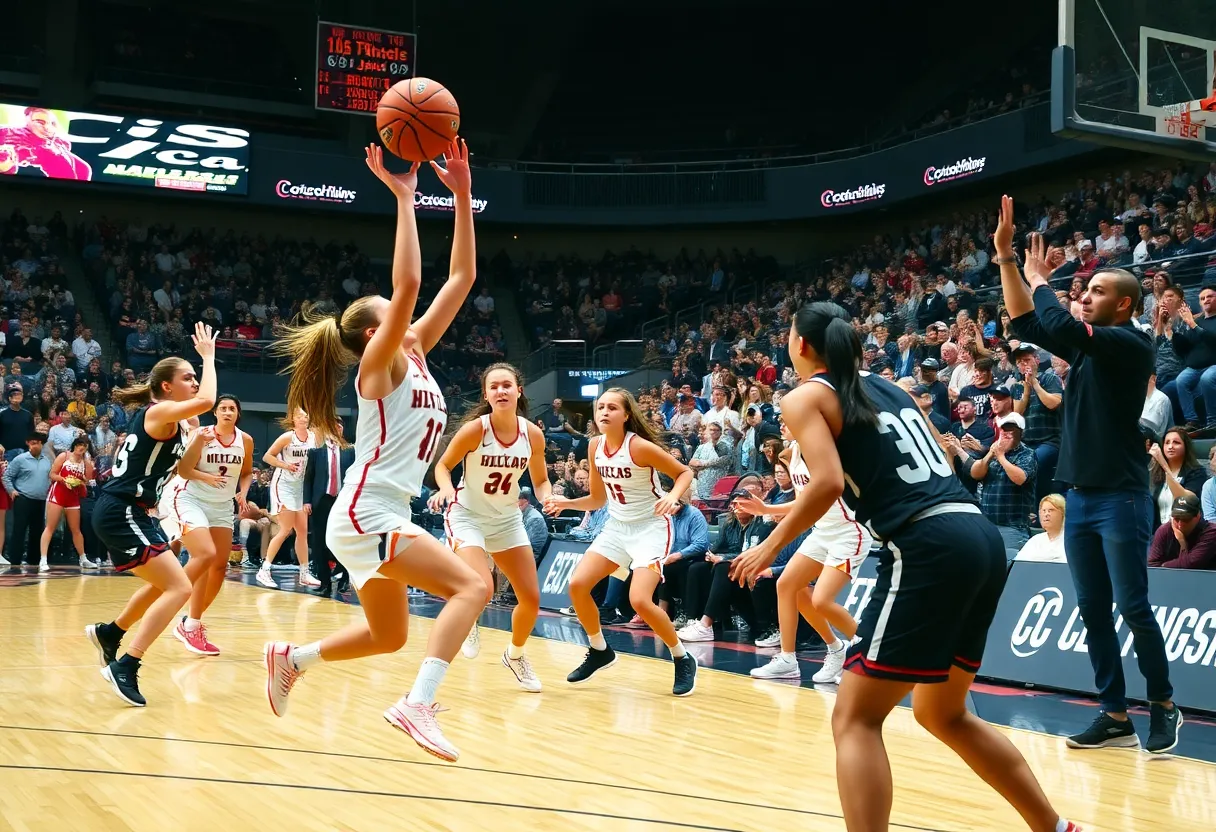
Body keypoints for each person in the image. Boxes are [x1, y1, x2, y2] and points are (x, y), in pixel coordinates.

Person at [729, 301, 1078, 832]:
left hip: (925, 542)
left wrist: (770, 545)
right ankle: (1055, 827)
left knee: (855, 717)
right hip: (977, 532)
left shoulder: (805, 397)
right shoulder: (885, 385)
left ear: (799, 346)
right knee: (943, 713)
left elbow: (824, 482)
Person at [262, 139, 486, 763]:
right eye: (394, 315)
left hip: (374, 511)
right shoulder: (379, 368)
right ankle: (417, 705)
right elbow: (411, 281)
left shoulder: (414, 355)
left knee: (389, 634)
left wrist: (463, 192)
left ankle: (293, 657)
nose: (408, 315)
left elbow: (462, 277)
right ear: (372, 332)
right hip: (367, 510)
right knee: (473, 589)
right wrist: (406, 198)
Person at [998, 195, 1180, 754]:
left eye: (1098, 291)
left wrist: (1040, 278)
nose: (1087, 295)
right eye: (1087, 289)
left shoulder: (1131, 343)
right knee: (1093, 610)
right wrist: (1008, 261)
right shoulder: (1087, 351)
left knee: (1133, 608)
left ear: (1124, 306)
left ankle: (1164, 705)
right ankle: (1114, 713)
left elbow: (1055, 315)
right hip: (1079, 498)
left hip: (1122, 497)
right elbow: (1029, 320)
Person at [84, 323, 219, 707]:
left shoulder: (171, 423)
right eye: (187, 378)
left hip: (132, 512)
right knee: (180, 588)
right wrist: (208, 356)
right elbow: (208, 400)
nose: (194, 383)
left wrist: (196, 439)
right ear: (166, 387)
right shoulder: (159, 412)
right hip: (121, 510)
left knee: (167, 584)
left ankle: (112, 632)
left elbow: (181, 470)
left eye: (196, 377)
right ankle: (126, 664)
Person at [543, 387, 697, 696]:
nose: (603, 412)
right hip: (617, 527)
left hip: (650, 527)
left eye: (612, 407)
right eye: (600, 407)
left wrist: (672, 496)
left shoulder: (639, 447)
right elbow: (598, 498)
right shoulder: (594, 445)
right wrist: (566, 504)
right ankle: (600, 650)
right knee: (577, 585)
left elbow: (684, 473)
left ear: (626, 415)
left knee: (640, 599)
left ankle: (682, 656)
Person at [428, 362, 552, 692]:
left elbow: (540, 481)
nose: (501, 390)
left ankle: (515, 655)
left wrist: (550, 496)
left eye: (506, 385)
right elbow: (442, 466)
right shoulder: (475, 430)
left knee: (531, 599)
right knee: (481, 586)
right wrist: (444, 487)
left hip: (506, 519)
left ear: (518, 390)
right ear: (486, 394)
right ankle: (469, 616)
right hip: (467, 515)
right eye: (494, 386)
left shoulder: (533, 435)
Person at [721, 418, 873, 683]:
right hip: (823, 531)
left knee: (821, 600)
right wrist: (767, 510)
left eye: (788, 418)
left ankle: (870, 652)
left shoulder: (824, 451)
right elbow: (804, 502)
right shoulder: (790, 454)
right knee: (788, 586)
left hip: (849, 532)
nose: (781, 421)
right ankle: (796, 657)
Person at [164, 394, 254, 656]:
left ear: (238, 414)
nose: (227, 412)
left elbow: (246, 471)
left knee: (219, 566)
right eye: (223, 408)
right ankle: (191, 623)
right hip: (193, 499)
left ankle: (190, 621)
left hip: (222, 506)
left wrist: (243, 492)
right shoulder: (202, 435)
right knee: (204, 556)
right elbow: (183, 469)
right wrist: (208, 477)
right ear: (215, 413)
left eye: (232, 409)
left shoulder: (245, 440)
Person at [255, 408, 319, 589]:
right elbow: (268, 456)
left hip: (300, 487)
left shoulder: (314, 437)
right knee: (285, 530)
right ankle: (264, 569)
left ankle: (304, 573)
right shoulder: (287, 438)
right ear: (293, 419)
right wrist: (285, 464)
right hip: (283, 485)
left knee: (302, 531)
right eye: (300, 416)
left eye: (306, 416)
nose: (303, 419)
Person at [302, 419, 355, 596]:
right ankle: (324, 583)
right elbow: (308, 478)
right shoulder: (316, 452)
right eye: (333, 425)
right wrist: (307, 501)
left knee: (345, 540)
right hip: (321, 500)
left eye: (340, 425)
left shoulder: (350, 451)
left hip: (343, 500)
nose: (337, 428)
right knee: (319, 542)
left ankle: (344, 579)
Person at [40, 435, 96, 569]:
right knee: (50, 527)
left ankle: (83, 558)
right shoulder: (64, 456)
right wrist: (64, 479)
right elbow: (52, 474)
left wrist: (82, 481)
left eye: (85, 446)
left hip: (72, 496)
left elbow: (86, 482)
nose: (81, 448)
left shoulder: (86, 464)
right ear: (75, 446)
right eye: (79, 445)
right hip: (58, 493)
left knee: (76, 529)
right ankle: (43, 559)